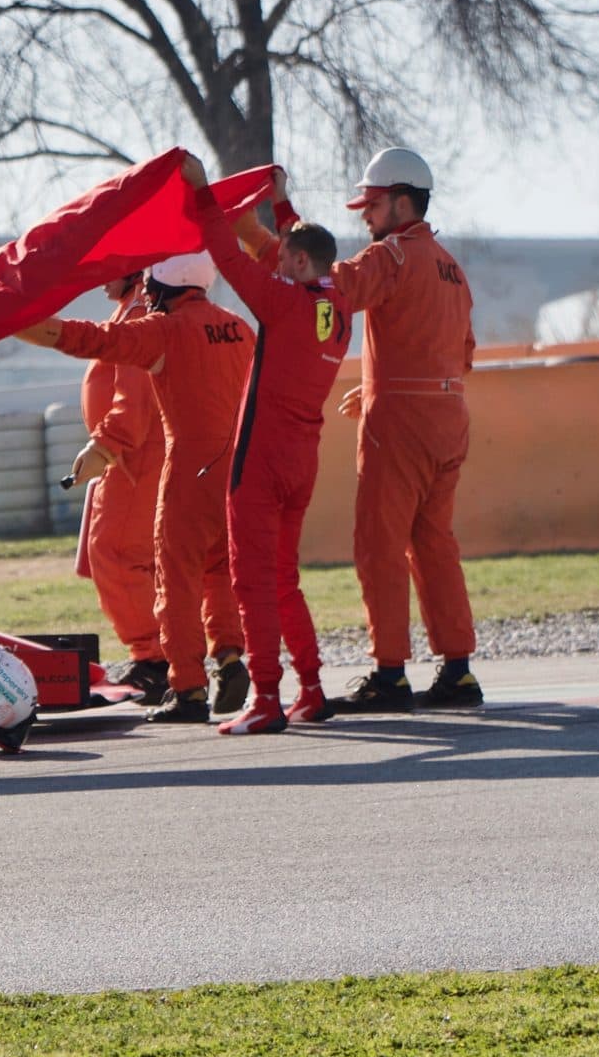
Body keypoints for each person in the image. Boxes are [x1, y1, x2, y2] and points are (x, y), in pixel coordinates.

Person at [17, 249, 251, 724]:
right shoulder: (238, 327)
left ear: (161, 279)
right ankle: (229, 658)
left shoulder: (162, 327)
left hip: (182, 465)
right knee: (218, 568)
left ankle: (182, 685)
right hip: (234, 465)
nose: (144, 289)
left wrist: (16, 322)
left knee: (174, 579)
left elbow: (88, 341)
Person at [323, 147, 482, 713]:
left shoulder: (392, 255)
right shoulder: (451, 268)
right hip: (450, 419)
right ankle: (457, 671)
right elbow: (460, 356)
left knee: (379, 546)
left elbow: (337, 287)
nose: (365, 216)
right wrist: (375, 390)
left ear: (401, 200)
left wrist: (289, 254)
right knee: (435, 543)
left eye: (372, 204)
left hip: (401, 426)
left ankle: (389, 674)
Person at [197, 167, 353, 734]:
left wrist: (201, 199)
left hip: (260, 463)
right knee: (284, 579)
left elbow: (229, 258)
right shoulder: (338, 308)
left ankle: (264, 697)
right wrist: (283, 205)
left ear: (299, 264)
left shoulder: (283, 303)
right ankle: (310, 689)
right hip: (302, 459)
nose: (276, 259)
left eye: (284, 256)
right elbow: (298, 247)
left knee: (252, 582)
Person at [62, 270, 170, 705]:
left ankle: (156, 659)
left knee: (116, 554)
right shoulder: (130, 310)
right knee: (139, 557)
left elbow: (135, 399)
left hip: (134, 456)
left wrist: (105, 447)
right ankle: (166, 654)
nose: (97, 279)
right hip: (129, 455)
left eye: (107, 266)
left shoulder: (140, 315)